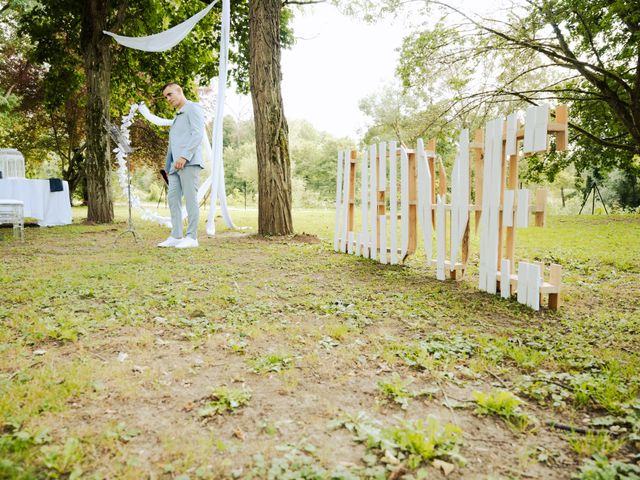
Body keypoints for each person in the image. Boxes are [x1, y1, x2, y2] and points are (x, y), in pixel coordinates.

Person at [157, 83, 205, 249]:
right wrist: (168, 166)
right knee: (173, 199)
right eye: (166, 97)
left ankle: (192, 237)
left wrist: (185, 156)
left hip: (189, 163)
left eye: (170, 94)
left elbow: (197, 133)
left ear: (179, 90)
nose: (168, 99)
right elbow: (173, 144)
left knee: (191, 200)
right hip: (174, 167)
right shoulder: (178, 116)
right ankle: (176, 236)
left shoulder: (193, 108)